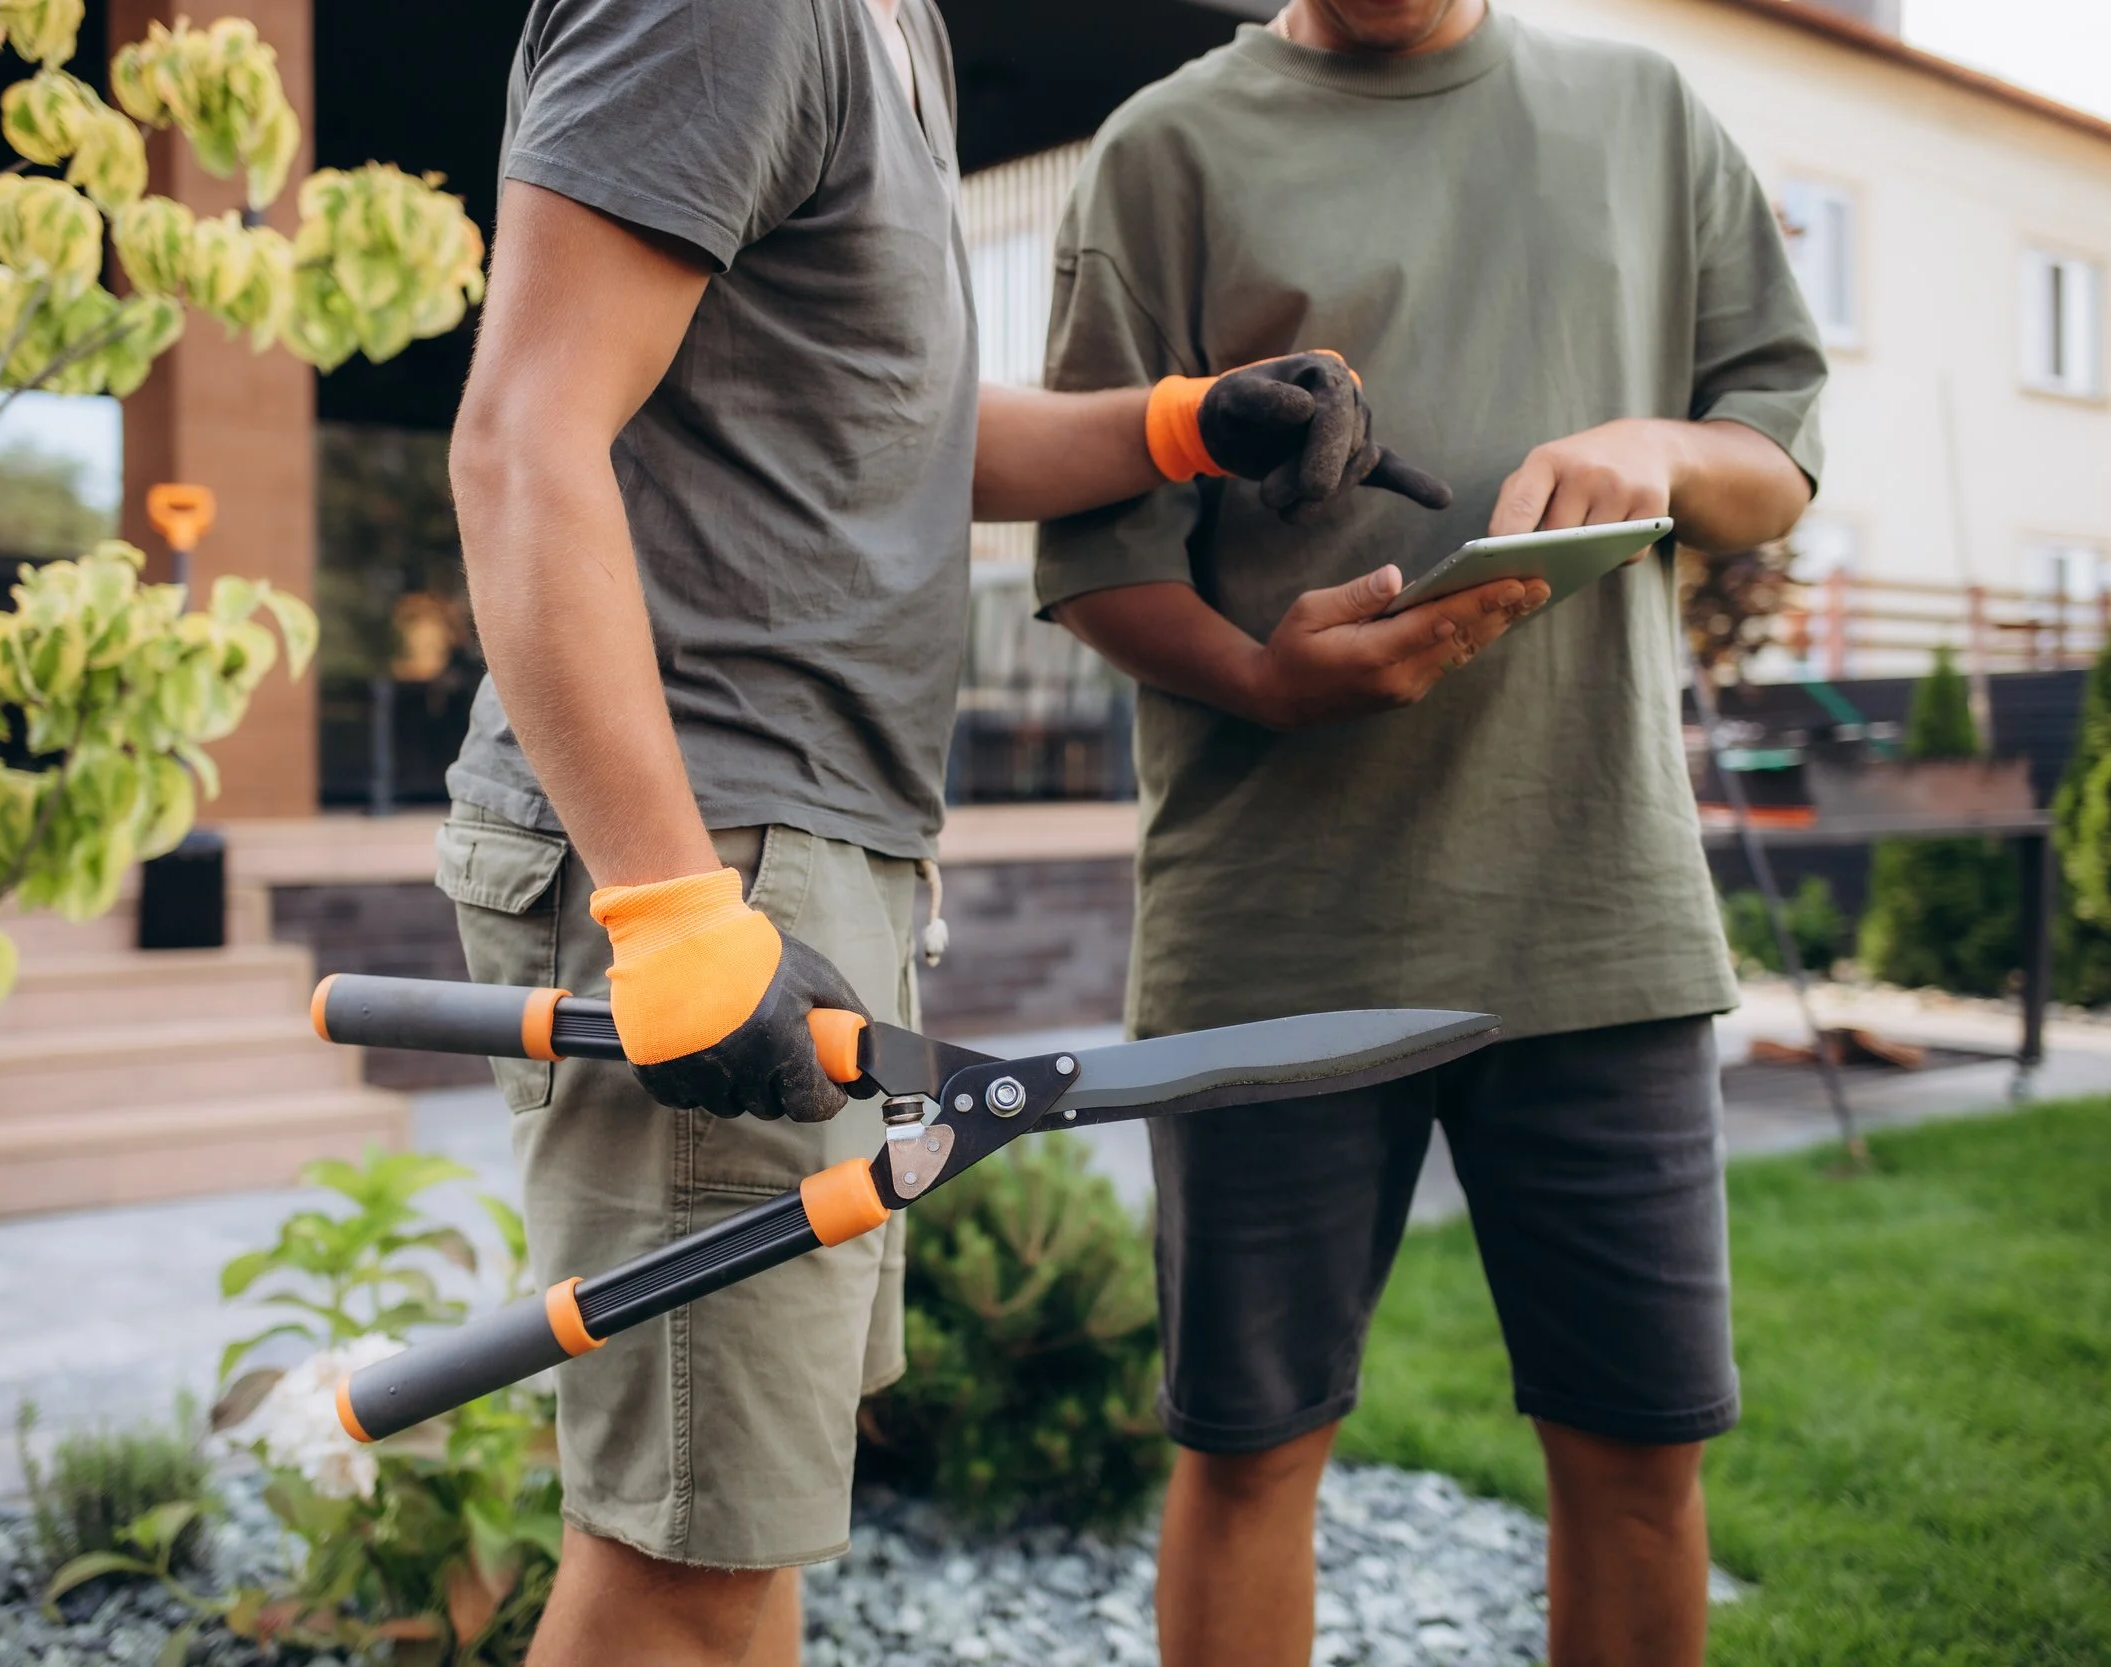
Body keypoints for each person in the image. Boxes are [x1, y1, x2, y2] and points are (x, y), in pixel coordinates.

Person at [440, 1, 1506, 1661]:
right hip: (715, 834)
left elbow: (900, 423)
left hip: (797, 842)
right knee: (689, 1563)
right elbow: (520, 437)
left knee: (736, 1525)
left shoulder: (889, 28)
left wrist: (1180, 429)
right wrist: (669, 905)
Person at [1036, 3, 1827, 1665]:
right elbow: (1094, 557)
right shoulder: (1165, 149)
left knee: (1637, 1457)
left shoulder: (1643, 110)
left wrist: (1658, 448)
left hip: (1593, 909)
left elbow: (1774, 457)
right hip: (1276, 931)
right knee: (1249, 1456)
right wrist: (1264, 677)